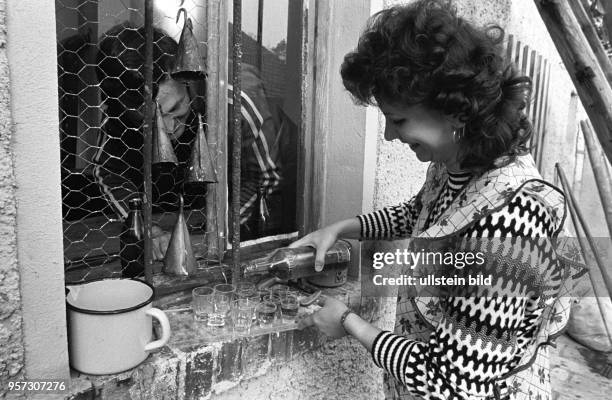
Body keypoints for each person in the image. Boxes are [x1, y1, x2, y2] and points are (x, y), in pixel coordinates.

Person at [291, 1, 580, 399]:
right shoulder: (458, 167)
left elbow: (451, 382)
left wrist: (348, 321)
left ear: (455, 112)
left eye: (399, 120)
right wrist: (339, 228)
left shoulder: (510, 222)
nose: (391, 136)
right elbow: (419, 214)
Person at [94, 23, 285, 261]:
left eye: (175, 109)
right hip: (173, 206)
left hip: (244, 214)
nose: (169, 130)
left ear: (186, 80)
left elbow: (263, 179)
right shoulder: (118, 108)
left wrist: (215, 235)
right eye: (150, 123)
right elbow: (110, 171)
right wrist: (144, 227)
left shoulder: (235, 97)